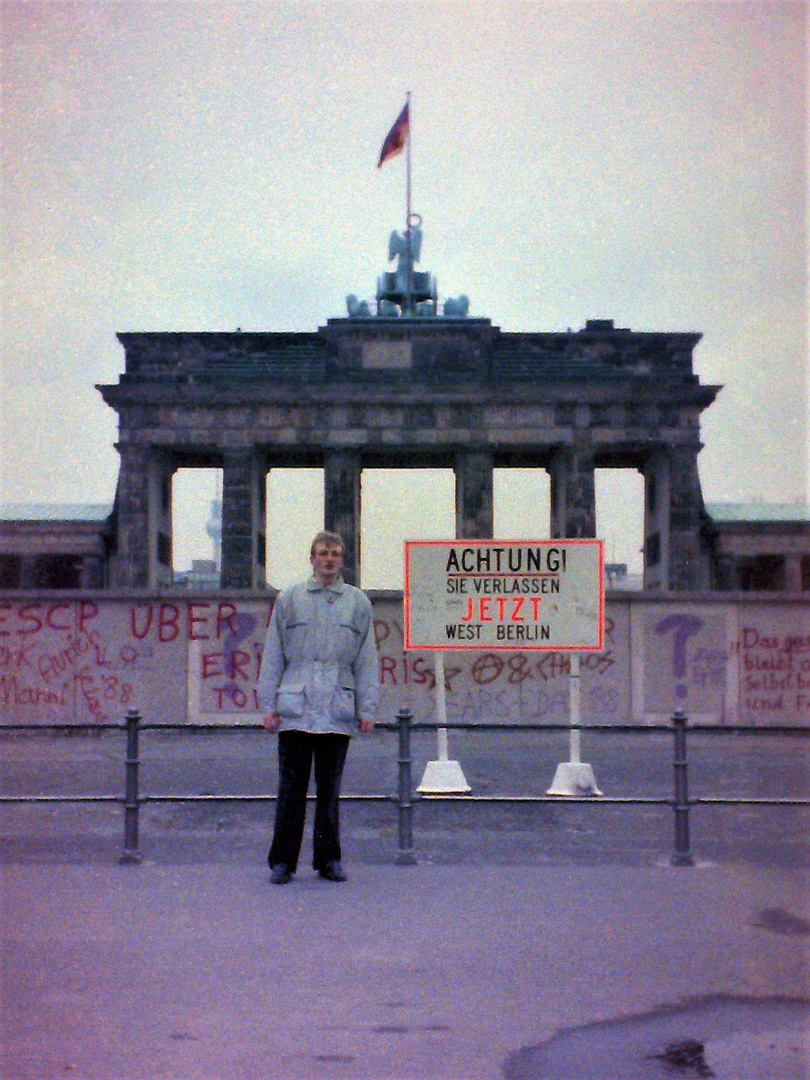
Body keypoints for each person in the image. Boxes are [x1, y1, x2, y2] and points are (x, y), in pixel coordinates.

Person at [258, 530, 379, 884]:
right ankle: (283, 861)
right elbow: (273, 655)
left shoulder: (357, 603)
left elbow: (366, 660)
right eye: (323, 553)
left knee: (330, 792)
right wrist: (268, 704)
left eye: (335, 554)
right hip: (296, 708)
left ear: (342, 561)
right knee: (290, 790)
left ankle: (328, 860)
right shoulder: (290, 599)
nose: (329, 559)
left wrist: (367, 708)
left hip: (336, 709)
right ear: (311, 558)